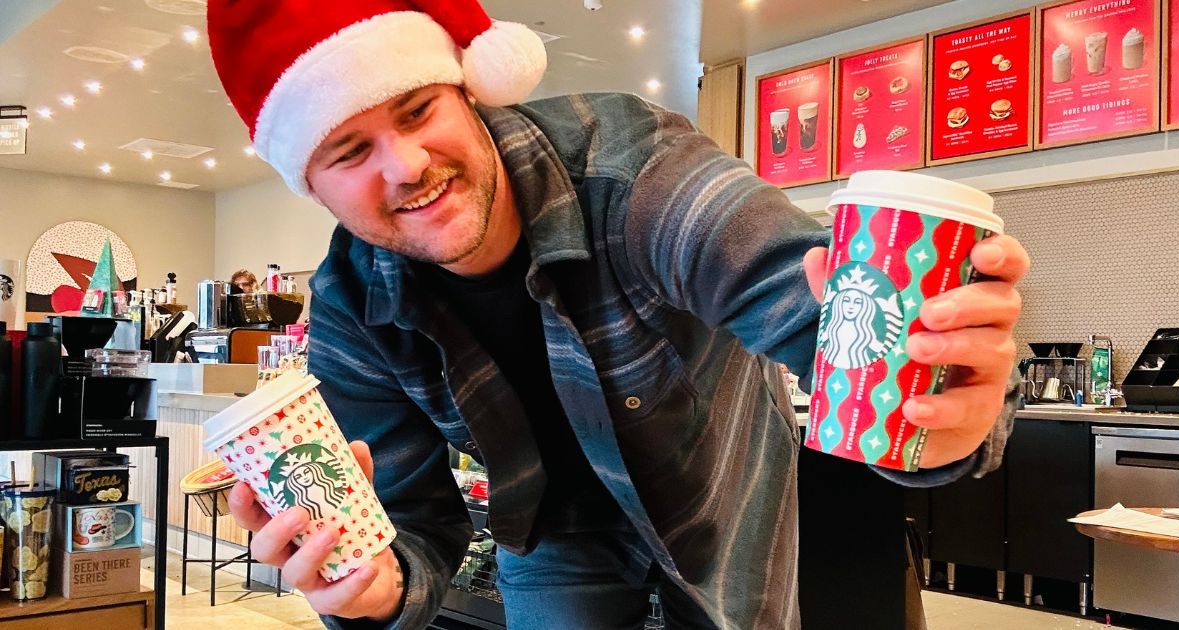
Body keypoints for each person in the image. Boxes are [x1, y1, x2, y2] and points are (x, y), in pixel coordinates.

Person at [207, 2, 1029, 628]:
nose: (408, 164)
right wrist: (377, 588)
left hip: (720, 496)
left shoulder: (638, 173)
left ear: (469, 94)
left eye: (419, 111)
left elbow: (809, 302)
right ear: (311, 185)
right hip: (548, 527)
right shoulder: (353, 306)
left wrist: (938, 407)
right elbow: (410, 524)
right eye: (349, 152)